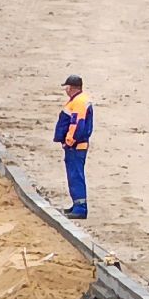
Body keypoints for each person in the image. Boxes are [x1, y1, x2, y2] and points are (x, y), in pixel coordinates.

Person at [53, 75, 95, 220]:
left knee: (75, 175)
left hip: (76, 146)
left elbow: (76, 124)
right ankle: (77, 204)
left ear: (71, 88)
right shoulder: (79, 100)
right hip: (76, 145)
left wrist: (69, 142)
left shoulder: (79, 102)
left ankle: (80, 208)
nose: (66, 89)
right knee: (74, 175)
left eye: (67, 87)